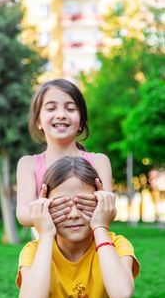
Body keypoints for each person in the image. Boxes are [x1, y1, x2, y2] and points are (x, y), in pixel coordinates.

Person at [16, 157, 140, 298]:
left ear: (100, 203)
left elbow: (121, 295)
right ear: (45, 205)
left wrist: (100, 227)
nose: (74, 214)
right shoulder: (34, 251)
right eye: (62, 205)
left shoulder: (117, 245)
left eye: (83, 204)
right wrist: (46, 233)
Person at [16, 78, 114, 230]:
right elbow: (23, 214)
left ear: (81, 121)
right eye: (51, 108)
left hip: (93, 249)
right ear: (38, 121)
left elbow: (111, 210)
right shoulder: (28, 164)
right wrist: (52, 210)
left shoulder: (99, 161)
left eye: (70, 108)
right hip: (48, 250)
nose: (61, 114)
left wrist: (103, 206)